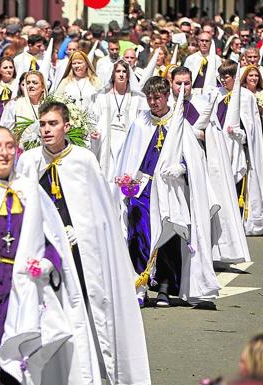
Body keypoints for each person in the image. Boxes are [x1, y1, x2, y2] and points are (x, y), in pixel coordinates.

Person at [0, 126, 101, 385]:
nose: (4, 153)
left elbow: (52, 241)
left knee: (20, 361)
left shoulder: (32, 191)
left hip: (24, 292)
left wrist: (47, 264)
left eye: (9, 147)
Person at [16, 100, 151, 384]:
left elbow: (100, 214)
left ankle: (92, 369)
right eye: (42, 124)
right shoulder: (29, 161)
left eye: (52, 124)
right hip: (45, 252)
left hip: (81, 251)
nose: (46, 130)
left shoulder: (83, 160)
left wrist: (82, 231)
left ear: (66, 127)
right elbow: (22, 207)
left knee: (88, 310)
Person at [115, 76, 220, 308]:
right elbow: (129, 155)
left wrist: (181, 168)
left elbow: (193, 159)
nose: (153, 102)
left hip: (171, 188)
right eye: (150, 98)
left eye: (157, 97)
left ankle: (163, 287)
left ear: (166, 96)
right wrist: (126, 178)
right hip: (143, 189)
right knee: (139, 235)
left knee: (169, 237)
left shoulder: (179, 123)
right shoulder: (141, 123)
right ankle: (139, 286)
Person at [171, 66, 250, 264]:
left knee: (200, 215)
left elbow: (212, 137)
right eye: (178, 83)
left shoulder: (200, 104)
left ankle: (201, 258)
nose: (183, 88)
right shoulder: (166, 105)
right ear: (171, 83)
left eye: (187, 83)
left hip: (198, 169)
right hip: (172, 169)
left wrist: (201, 135)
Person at [213, 60, 263, 236]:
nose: (223, 80)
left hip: (239, 150)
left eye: (226, 76)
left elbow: (252, 128)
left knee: (237, 186)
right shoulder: (215, 94)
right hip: (218, 149)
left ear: (234, 77)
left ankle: (238, 224)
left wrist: (241, 135)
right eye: (221, 76)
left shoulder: (246, 97)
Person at [91, 60, 148, 181]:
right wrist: (94, 131)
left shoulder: (136, 98)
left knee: (124, 172)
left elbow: (143, 121)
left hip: (128, 138)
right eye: (118, 71)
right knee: (108, 173)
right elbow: (93, 118)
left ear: (128, 75)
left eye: (124, 71)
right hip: (107, 139)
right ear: (112, 74)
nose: (121, 74)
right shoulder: (102, 96)